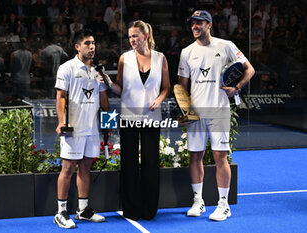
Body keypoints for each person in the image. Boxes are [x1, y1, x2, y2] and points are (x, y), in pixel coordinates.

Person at [178, 10, 255, 221]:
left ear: (209, 25)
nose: (194, 26)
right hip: (196, 113)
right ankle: (198, 202)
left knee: (221, 156)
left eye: (199, 23)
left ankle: (224, 205)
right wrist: (186, 111)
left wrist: (237, 88)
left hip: (219, 111)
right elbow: (182, 86)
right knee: (195, 156)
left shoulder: (226, 46)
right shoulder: (186, 52)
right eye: (192, 23)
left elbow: (250, 70)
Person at [102, 20, 170, 220]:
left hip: (151, 117)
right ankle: (131, 210)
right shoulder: (124, 58)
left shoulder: (161, 58)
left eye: (135, 36)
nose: (132, 40)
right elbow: (119, 88)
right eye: (130, 37)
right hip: (128, 116)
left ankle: (149, 210)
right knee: (129, 163)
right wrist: (108, 82)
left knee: (151, 163)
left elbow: (166, 87)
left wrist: (159, 99)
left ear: (146, 35)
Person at [53, 29, 108, 229]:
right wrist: (61, 122)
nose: (92, 47)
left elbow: (105, 103)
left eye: (93, 43)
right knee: (68, 169)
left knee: (85, 167)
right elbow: (60, 96)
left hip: (92, 129)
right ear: (77, 47)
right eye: (87, 43)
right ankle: (60, 212)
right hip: (73, 128)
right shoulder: (66, 68)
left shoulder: (97, 72)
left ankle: (83, 210)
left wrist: (103, 83)